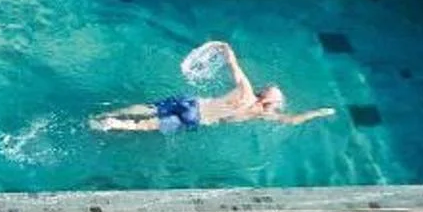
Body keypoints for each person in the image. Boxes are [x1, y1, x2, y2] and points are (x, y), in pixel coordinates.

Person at [91, 42, 332, 132]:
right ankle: (113, 125)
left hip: (192, 103)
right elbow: (292, 120)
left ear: (262, 93)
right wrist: (319, 112)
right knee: (148, 126)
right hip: (196, 119)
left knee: (149, 108)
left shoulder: (246, 90)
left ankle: (106, 114)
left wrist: (224, 46)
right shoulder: (261, 115)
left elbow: (233, 63)